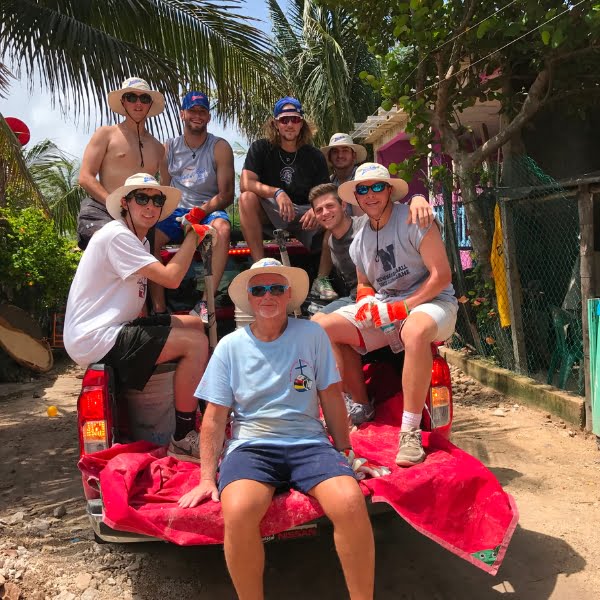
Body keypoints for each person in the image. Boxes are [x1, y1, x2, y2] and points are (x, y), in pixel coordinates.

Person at [178, 257, 375, 600]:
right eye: (259, 289)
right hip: (252, 447)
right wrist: (207, 478)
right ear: (250, 298)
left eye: (276, 288)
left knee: (349, 502)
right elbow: (214, 417)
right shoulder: (229, 347)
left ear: (288, 295)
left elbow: (330, 395)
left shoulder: (312, 334)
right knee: (238, 510)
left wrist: (345, 452)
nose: (267, 296)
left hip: (308, 443)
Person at [64, 173, 213, 463]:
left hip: (112, 330)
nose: (150, 206)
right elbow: (171, 278)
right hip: (96, 337)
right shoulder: (117, 235)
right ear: (125, 203)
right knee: (194, 345)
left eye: (156, 200)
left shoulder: (139, 242)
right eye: (141, 198)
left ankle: (193, 408)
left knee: (196, 325)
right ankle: (183, 436)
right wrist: (193, 236)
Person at [316, 163, 458, 465]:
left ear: (389, 189)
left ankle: (409, 433)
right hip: (386, 307)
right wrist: (366, 301)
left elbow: (442, 276)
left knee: (415, 331)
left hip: (433, 303)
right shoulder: (360, 238)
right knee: (320, 326)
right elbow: (365, 282)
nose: (370, 194)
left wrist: (405, 306)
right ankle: (359, 405)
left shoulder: (414, 218)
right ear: (355, 196)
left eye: (377, 186)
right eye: (363, 189)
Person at [150, 91, 235, 320]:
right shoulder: (169, 148)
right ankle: (158, 309)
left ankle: (205, 305)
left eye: (202, 111)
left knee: (224, 229)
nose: (197, 115)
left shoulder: (220, 147)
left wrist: (199, 212)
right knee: (149, 238)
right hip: (176, 211)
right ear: (182, 114)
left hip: (208, 210)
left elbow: (226, 194)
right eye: (192, 111)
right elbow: (164, 189)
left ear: (208, 117)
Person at [77, 77, 166, 250]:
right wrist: (116, 206)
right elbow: (85, 177)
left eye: (144, 98)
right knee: (107, 260)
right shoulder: (106, 134)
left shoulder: (158, 148)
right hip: (103, 211)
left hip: (141, 218)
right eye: (132, 97)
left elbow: (161, 188)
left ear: (150, 104)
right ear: (123, 101)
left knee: (142, 273)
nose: (138, 103)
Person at [239, 96, 329, 261]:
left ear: (301, 124)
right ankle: (259, 264)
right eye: (284, 120)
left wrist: (315, 209)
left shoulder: (315, 156)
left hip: (306, 215)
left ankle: (326, 277)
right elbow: (245, 183)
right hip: (273, 213)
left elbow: (326, 193)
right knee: (246, 198)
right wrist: (277, 192)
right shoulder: (260, 148)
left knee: (336, 215)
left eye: (294, 119)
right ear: (275, 123)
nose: (289, 124)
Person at [309, 133, 369, 302]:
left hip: (365, 230)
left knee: (334, 228)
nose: (340, 155)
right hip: (341, 236)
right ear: (330, 157)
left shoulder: (360, 177)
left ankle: (321, 279)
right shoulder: (330, 182)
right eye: (335, 151)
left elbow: (363, 220)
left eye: (345, 151)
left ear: (354, 155)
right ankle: (322, 281)